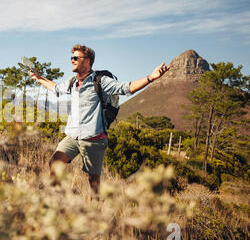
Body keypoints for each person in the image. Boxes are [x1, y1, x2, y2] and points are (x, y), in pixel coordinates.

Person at [30, 44, 170, 194]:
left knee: (94, 183)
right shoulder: (72, 82)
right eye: (71, 57)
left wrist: (150, 78)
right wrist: (38, 78)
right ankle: (56, 197)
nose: (72, 60)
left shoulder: (101, 81)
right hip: (73, 136)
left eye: (76, 58)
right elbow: (56, 88)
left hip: (94, 138)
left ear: (87, 61)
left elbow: (127, 88)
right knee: (55, 162)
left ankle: (96, 208)